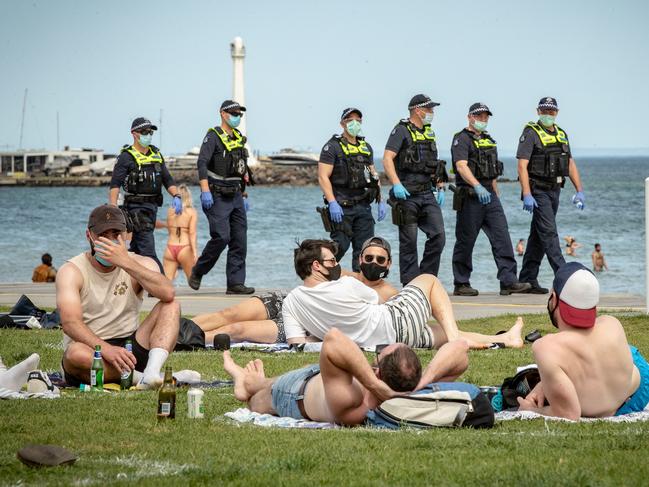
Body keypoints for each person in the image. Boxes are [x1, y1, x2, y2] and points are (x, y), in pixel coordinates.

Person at [282, 239, 525, 350]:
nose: (336, 265)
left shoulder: (291, 302)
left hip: (381, 343)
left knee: (436, 331)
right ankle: (456, 340)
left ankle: (505, 339)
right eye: (332, 261)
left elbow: (298, 344)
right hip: (392, 327)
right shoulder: (346, 284)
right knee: (428, 280)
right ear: (316, 265)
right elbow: (374, 300)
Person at [223, 328, 470, 425]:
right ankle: (250, 381)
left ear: (379, 372)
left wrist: (373, 385)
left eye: (382, 351)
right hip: (320, 377)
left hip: (293, 394)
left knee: (253, 397)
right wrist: (422, 383)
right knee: (263, 381)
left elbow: (333, 338)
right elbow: (460, 348)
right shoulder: (412, 388)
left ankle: (243, 385)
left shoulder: (354, 400)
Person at [56, 205, 181, 389]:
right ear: (89, 236)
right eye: (103, 235)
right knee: (75, 354)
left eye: (115, 234)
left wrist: (125, 262)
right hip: (92, 351)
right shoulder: (71, 270)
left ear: (126, 235)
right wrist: (106, 350)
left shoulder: (139, 263)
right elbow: (70, 323)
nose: (110, 241)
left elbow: (167, 293)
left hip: (130, 349)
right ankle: (142, 378)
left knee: (171, 306)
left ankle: (152, 371)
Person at [193, 236, 398, 345]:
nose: (373, 263)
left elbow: (374, 326)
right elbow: (311, 273)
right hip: (288, 301)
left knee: (237, 330)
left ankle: (185, 340)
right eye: (369, 258)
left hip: (308, 326)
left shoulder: (389, 293)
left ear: (388, 264)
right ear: (360, 259)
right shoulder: (343, 274)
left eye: (380, 260)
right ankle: (176, 327)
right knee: (229, 314)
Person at [517, 262, 649, 420]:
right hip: (639, 391)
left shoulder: (545, 348)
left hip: (607, 405)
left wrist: (531, 410)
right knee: (624, 350)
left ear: (554, 299)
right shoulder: (611, 323)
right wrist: (544, 384)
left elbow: (569, 414)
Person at [450, 103, 531, 297]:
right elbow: (461, 166)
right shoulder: (461, 139)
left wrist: (494, 189)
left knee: (502, 236)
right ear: (470, 117)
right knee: (466, 240)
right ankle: (461, 283)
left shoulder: (489, 140)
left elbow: (493, 168)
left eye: (486, 117)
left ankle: (508, 281)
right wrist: (476, 186)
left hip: (490, 197)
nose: (483, 120)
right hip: (470, 195)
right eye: (479, 116)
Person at [517, 97, 585, 293]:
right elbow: (522, 165)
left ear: (557, 112)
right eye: (545, 111)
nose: (548, 114)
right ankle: (565, 278)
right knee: (549, 233)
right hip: (537, 190)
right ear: (538, 111)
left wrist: (579, 190)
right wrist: (527, 193)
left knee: (538, 235)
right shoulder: (530, 133)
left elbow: (570, 163)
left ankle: (528, 279)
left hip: (555, 190)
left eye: (551, 111)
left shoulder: (562, 134)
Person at [189, 100, 254, 295]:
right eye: (234, 113)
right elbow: (202, 163)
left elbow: (241, 169)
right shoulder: (213, 136)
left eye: (239, 114)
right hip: (216, 194)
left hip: (235, 195)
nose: (237, 117)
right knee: (222, 237)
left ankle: (235, 283)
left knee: (239, 240)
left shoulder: (238, 138)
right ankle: (198, 270)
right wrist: (205, 191)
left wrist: (243, 193)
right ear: (223, 114)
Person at [382, 94, 448, 285]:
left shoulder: (429, 132)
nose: (432, 113)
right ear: (418, 110)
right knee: (409, 242)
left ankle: (426, 280)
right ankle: (410, 284)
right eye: (429, 110)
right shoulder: (401, 130)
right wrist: (396, 184)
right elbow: (387, 159)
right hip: (407, 193)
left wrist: (440, 186)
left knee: (439, 236)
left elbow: (434, 163)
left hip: (427, 193)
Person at [109, 117, 181, 272]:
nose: (148, 134)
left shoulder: (156, 155)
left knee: (134, 249)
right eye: (144, 132)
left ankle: (128, 282)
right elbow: (115, 184)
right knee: (147, 249)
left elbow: (168, 180)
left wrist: (177, 196)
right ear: (134, 133)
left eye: (150, 132)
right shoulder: (126, 157)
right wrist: (113, 208)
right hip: (135, 208)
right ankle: (160, 284)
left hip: (152, 207)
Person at [318, 107, 386, 271]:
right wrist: (332, 202)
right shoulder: (332, 147)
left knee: (364, 250)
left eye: (358, 120)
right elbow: (322, 176)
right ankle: (322, 277)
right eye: (350, 120)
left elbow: (373, 174)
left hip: (363, 206)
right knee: (339, 246)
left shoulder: (365, 147)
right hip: (341, 206)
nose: (354, 123)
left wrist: (380, 199)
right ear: (342, 123)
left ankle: (360, 285)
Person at [160, 184, 198, 282]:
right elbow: (192, 233)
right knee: (192, 281)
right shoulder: (192, 212)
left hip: (170, 247)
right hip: (184, 248)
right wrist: (194, 252)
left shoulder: (170, 211)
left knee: (166, 283)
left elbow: (169, 230)